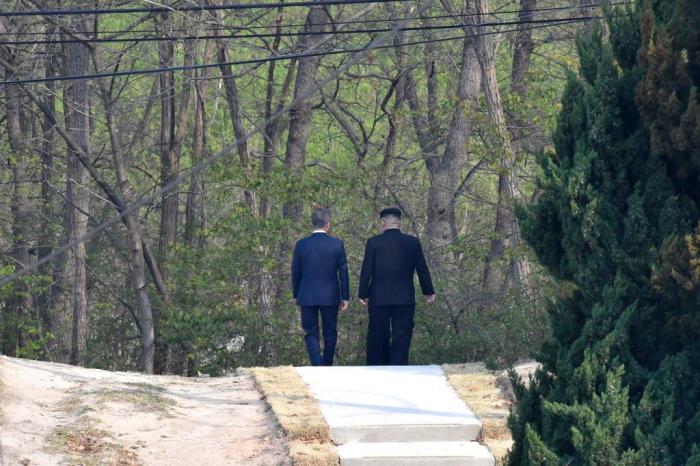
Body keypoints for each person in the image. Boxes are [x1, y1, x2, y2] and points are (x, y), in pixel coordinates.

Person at [358, 207, 435, 365]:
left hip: (378, 297)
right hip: (404, 297)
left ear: (384, 222)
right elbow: (422, 269)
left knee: (378, 336)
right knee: (402, 335)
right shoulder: (412, 242)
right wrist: (428, 291)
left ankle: (377, 368)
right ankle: (398, 369)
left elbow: (366, 270)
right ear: (399, 223)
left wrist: (363, 293)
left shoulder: (373, 242)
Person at [292, 208, 350, 366]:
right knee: (330, 331)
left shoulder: (301, 244)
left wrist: (296, 293)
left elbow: (295, 271)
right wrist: (345, 296)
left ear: (313, 223)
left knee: (311, 331)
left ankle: (317, 364)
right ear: (328, 224)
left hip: (307, 295)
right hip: (330, 296)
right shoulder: (337, 244)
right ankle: (327, 365)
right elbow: (343, 272)